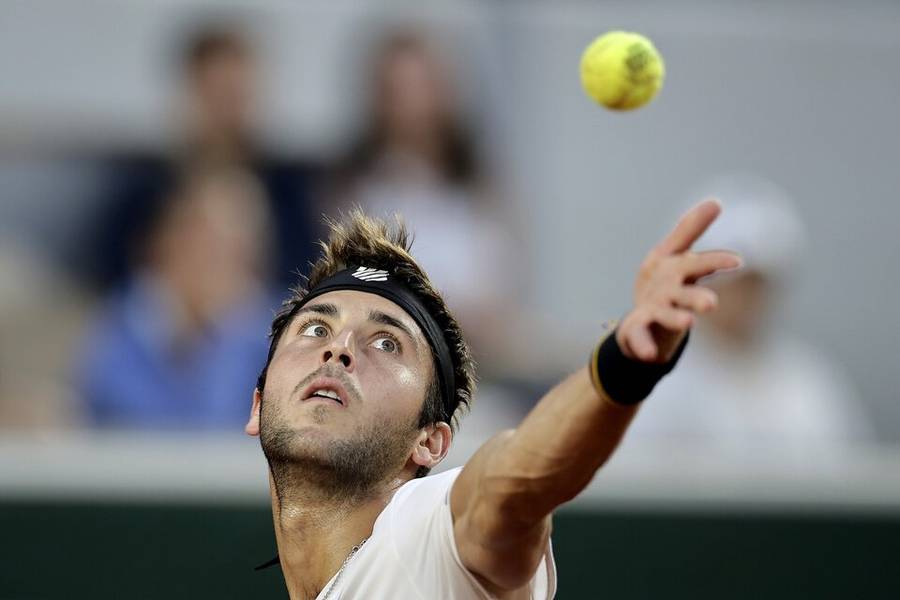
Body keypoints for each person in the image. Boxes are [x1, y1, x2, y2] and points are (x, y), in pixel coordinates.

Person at [246, 200, 741, 598]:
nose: (339, 348)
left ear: (431, 443)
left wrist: (621, 368)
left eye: (386, 342)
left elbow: (511, 486)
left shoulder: (424, 533)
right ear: (258, 404)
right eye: (315, 328)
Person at [629, 175, 871, 455]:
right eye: (736, 280)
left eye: (758, 282)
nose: (747, 297)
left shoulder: (810, 387)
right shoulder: (652, 384)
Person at [78, 165, 273, 429]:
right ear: (169, 241)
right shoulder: (117, 330)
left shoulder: (272, 331)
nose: (218, 264)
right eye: (208, 244)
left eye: (237, 250)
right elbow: (116, 413)